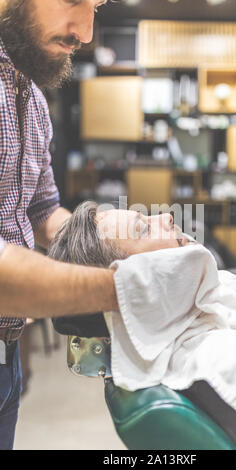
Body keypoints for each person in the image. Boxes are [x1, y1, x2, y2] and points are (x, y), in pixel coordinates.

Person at [48, 201, 236, 450]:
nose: (167, 218)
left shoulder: (203, 311)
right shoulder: (225, 357)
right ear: (138, 280)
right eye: (143, 229)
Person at [0, 0, 119, 450]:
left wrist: (113, 238)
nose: (86, 32)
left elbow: (44, 212)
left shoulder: (30, 97)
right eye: (73, 0)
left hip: (7, 354)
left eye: (97, 6)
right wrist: (127, 288)